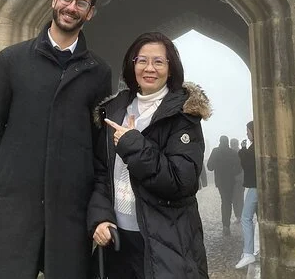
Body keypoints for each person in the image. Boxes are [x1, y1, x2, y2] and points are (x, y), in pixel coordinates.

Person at [0, 0, 112, 278]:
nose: (71, 7)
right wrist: (12, 173)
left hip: (69, 207)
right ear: (54, 0)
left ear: (90, 13)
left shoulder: (98, 72)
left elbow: (97, 141)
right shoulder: (11, 60)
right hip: (16, 203)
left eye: (81, 3)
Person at [88, 32, 210, 279]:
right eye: (142, 60)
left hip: (166, 241)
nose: (149, 68)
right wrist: (100, 217)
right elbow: (101, 172)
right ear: (132, 65)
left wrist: (133, 144)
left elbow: (181, 181)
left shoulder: (183, 115)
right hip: (119, 240)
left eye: (158, 62)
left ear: (171, 69)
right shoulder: (114, 109)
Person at [207, 134, 241, 236]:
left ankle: (225, 225)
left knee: (224, 201)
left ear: (220, 142)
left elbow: (209, 167)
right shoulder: (232, 152)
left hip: (220, 182)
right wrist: (233, 173)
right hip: (230, 181)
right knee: (228, 202)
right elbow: (239, 168)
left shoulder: (215, 151)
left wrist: (217, 165)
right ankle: (226, 225)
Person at [236, 121, 259, 269]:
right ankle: (255, 249)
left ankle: (249, 252)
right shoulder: (257, 146)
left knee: (245, 218)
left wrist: (242, 150)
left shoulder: (254, 148)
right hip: (257, 186)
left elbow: (247, 164)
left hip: (255, 187)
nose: (246, 133)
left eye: (248, 131)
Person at [230, 138, 244, 222]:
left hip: (236, 179)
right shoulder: (240, 152)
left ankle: (239, 216)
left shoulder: (232, 153)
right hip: (240, 179)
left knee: (236, 199)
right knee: (239, 198)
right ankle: (239, 215)